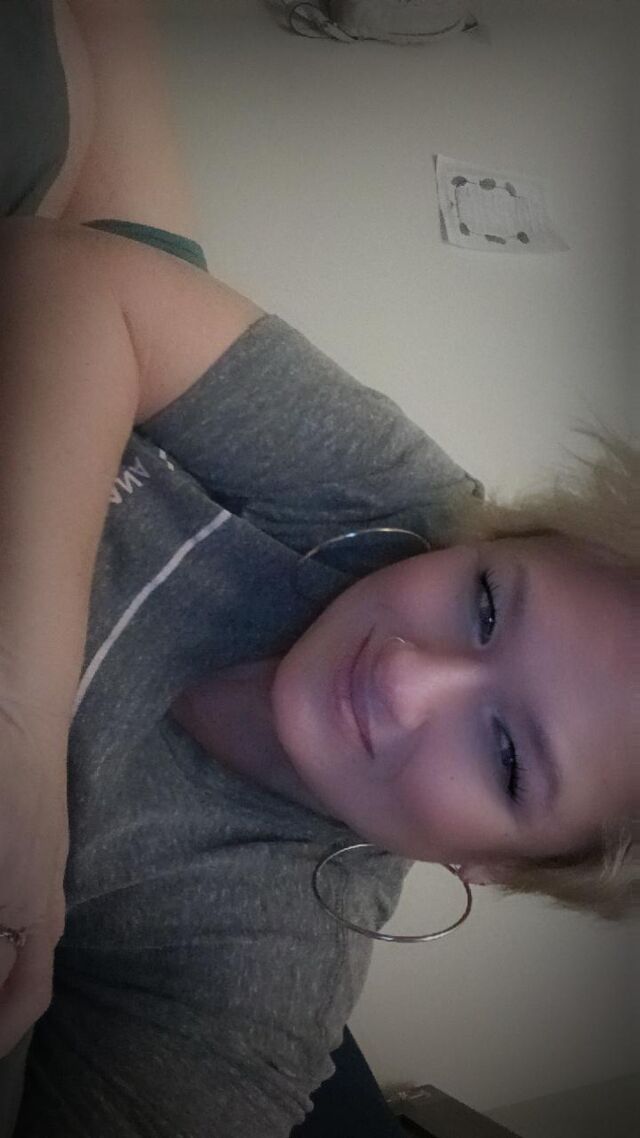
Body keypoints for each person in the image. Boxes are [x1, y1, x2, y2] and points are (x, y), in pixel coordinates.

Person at [0, 1, 636, 1135]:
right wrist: (20, 740)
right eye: (486, 605)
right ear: (490, 543)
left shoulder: (255, 986)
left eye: (505, 756)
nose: (405, 676)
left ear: (494, 863)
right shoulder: (413, 509)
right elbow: (58, 281)